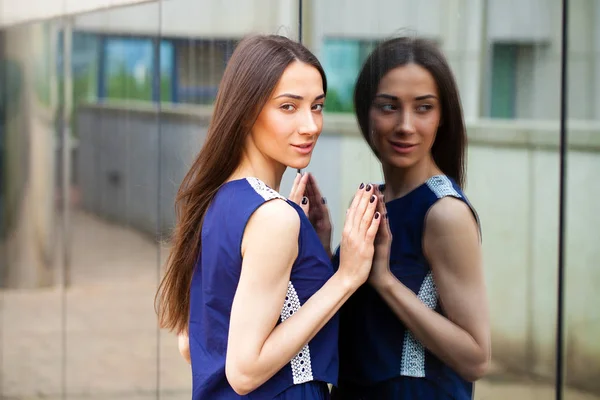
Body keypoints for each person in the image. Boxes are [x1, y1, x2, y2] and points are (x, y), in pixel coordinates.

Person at [154, 34, 382, 400]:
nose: (310, 125)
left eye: (318, 106)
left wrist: (308, 250)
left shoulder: (216, 199)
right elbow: (243, 372)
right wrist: (346, 278)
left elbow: (190, 343)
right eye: (289, 107)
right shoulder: (273, 218)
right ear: (246, 110)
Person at [330, 36, 491, 399]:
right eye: (389, 107)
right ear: (364, 112)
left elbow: (476, 358)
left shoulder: (445, 213)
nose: (405, 125)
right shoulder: (378, 198)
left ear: (442, 116)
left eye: (423, 108)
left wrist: (386, 282)